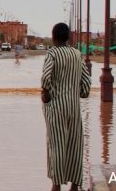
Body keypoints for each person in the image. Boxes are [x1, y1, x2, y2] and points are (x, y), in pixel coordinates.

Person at [41, 22, 91, 191]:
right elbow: (86, 81)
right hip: (73, 107)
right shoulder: (77, 54)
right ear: (68, 37)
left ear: (54, 38)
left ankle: (56, 185)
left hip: (56, 107)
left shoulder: (53, 53)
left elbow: (46, 76)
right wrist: (81, 93)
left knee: (57, 145)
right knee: (75, 144)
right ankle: (75, 186)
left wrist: (45, 93)